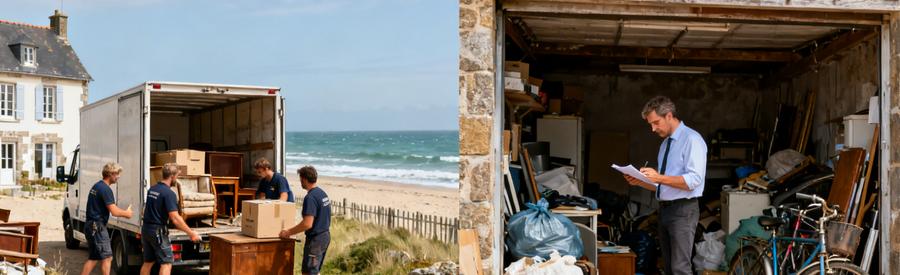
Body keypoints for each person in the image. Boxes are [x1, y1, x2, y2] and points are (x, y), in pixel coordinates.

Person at [623, 96, 707, 275]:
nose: (653, 128)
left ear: (669, 115)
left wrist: (659, 177)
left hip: (683, 210)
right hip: (665, 210)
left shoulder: (692, 139)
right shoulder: (665, 145)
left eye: (656, 122)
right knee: (668, 268)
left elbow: (694, 181)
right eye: (650, 124)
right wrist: (640, 181)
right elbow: (664, 186)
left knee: (680, 268)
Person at [140, 163, 200, 275]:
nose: (176, 180)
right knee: (166, 263)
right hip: (158, 232)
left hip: (146, 230)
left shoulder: (152, 189)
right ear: (172, 176)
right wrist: (191, 233)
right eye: (177, 176)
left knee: (148, 262)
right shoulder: (169, 194)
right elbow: (175, 219)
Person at [79, 163, 134, 275]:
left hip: (91, 226)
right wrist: (127, 213)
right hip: (97, 227)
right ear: (111, 174)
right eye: (117, 174)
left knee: (94, 258)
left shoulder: (97, 186)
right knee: (107, 257)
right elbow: (114, 211)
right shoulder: (105, 189)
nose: (118, 176)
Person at [279, 166, 332, 275]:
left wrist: (288, 232)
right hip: (325, 236)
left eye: (300, 179)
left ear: (304, 179)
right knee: (314, 271)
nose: (300, 182)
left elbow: (307, 224)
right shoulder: (322, 193)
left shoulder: (310, 197)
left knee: (309, 272)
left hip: (316, 240)